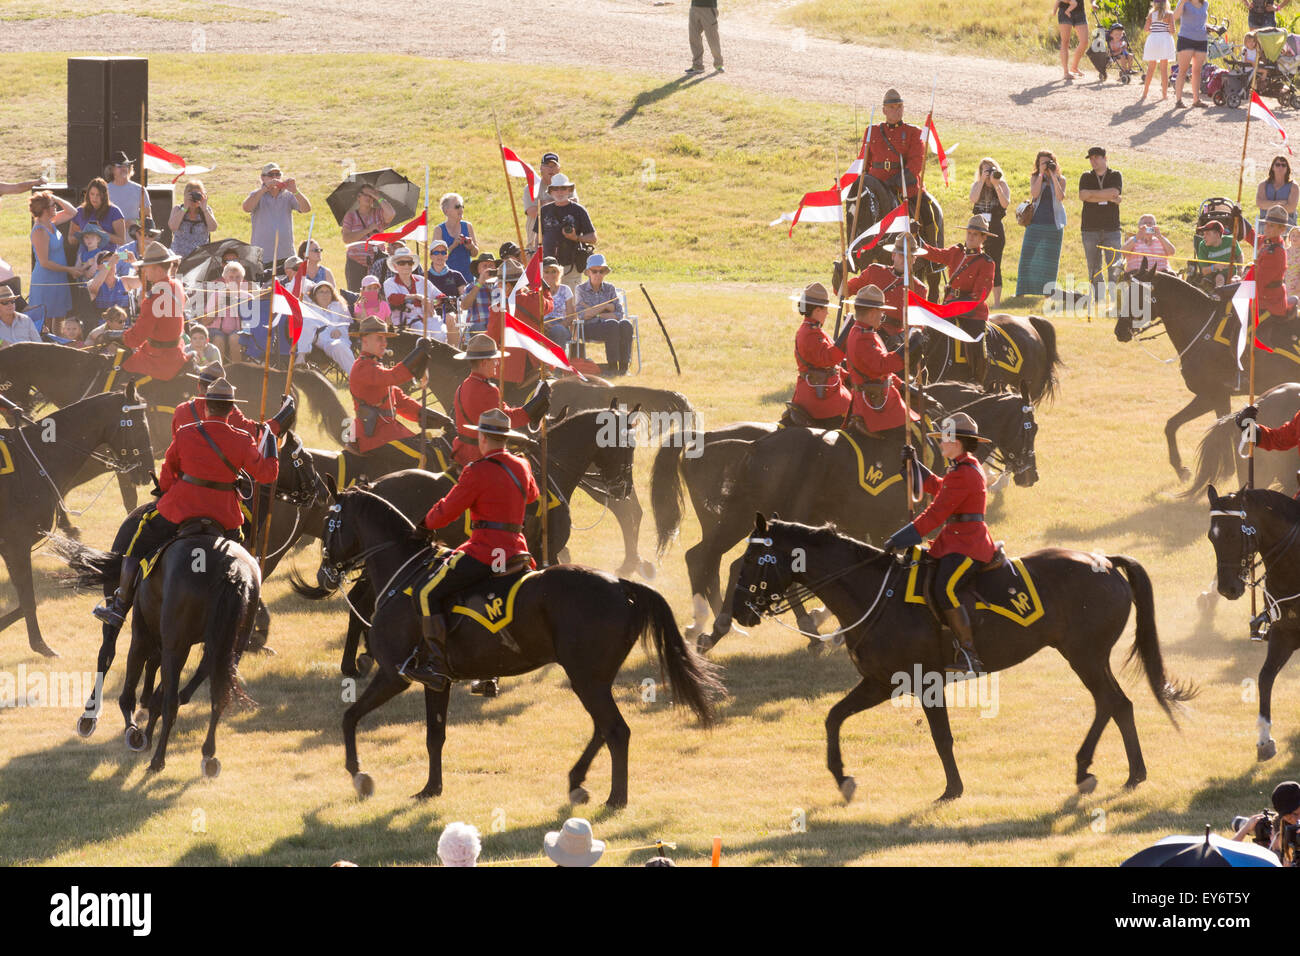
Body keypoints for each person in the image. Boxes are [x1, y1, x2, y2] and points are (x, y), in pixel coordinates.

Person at [93, 378, 291, 629]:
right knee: (243, 557)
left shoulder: (186, 432)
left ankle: (120, 605)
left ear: (206, 406)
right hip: (225, 516)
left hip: (180, 509)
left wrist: (166, 491)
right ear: (231, 410)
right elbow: (267, 474)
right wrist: (272, 442)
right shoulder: (242, 439)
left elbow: (168, 470)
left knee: (140, 536)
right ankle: (243, 616)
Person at [403, 407, 539, 690]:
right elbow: (533, 496)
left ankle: (437, 667)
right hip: (516, 552)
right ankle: (488, 672)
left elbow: (448, 510)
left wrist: (425, 525)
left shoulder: (475, 471)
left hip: (485, 552)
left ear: (482, 439)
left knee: (426, 592)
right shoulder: (522, 465)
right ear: (504, 438)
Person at [886, 412, 995, 674]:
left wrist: (901, 537)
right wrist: (914, 467)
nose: (941, 444)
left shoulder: (965, 472)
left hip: (968, 545)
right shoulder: (961, 467)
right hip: (954, 541)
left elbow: (935, 514)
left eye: (944, 440)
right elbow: (939, 486)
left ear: (956, 442)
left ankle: (969, 656)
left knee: (945, 588)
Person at [347, 317, 448, 456]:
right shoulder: (362, 367)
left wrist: (433, 418)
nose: (384, 343)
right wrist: (419, 353)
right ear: (365, 340)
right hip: (374, 438)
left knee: (433, 450)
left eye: (385, 339)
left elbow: (400, 400)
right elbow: (393, 376)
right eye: (379, 338)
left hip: (388, 433)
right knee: (426, 457)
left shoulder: (375, 366)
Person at [449, 333, 549, 467]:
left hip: (461, 452)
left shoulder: (462, 386)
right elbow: (506, 420)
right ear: (484, 362)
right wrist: (534, 406)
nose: (497, 363)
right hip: (482, 455)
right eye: (494, 360)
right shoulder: (489, 390)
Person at [921, 215, 997, 385]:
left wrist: (955, 306)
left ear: (983, 238)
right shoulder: (956, 252)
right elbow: (934, 253)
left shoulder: (986, 263)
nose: (970, 237)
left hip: (972, 312)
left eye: (975, 235)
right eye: (969, 233)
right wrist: (916, 242)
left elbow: (979, 295)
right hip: (949, 305)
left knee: (976, 343)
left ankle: (977, 378)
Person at [843, 285, 921, 437]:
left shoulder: (865, 332)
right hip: (876, 404)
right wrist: (909, 345)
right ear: (872, 313)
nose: (882, 316)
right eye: (881, 312)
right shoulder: (863, 336)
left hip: (879, 398)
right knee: (917, 433)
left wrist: (904, 386)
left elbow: (880, 371)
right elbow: (882, 365)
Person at [784, 282, 851, 429]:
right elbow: (829, 358)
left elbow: (832, 363)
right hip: (820, 396)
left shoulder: (814, 330)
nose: (827, 313)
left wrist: (847, 376)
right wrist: (848, 333)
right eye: (825, 309)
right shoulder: (809, 333)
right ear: (817, 310)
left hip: (825, 390)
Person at [121, 241, 190, 382]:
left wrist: (120, 337)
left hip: (159, 360)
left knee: (121, 373)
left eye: (147, 268)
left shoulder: (154, 297)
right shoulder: (176, 284)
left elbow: (136, 338)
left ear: (158, 270)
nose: (144, 271)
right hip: (175, 350)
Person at [172, 362, 286, 439]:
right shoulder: (228, 411)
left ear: (198, 385)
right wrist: (279, 421)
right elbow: (255, 433)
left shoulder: (180, 410)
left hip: (187, 473)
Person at [863, 89, 925, 217]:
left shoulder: (914, 132)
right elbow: (863, 162)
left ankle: (930, 238)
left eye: (899, 106)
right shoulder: (872, 131)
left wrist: (896, 182)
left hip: (904, 189)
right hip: (875, 186)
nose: (897, 110)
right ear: (884, 110)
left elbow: (916, 163)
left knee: (929, 212)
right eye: (892, 107)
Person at [1016, 150, 1068, 297]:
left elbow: (1060, 196)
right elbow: (1035, 193)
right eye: (1042, 163)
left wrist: (1052, 175)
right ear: (1038, 165)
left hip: (1054, 224)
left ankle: (1048, 292)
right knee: (1028, 256)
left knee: (1050, 259)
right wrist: (1041, 174)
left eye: (1048, 162)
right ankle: (1021, 291)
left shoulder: (1060, 179)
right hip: (1035, 223)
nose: (1045, 165)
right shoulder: (1035, 177)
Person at [243, 162, 311, 270]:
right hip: (262, 256)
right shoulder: (257, 194)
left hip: (286, 255)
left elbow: (306, 209)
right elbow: (246, 208)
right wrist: (264, 189)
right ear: (262, 178)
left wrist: (295, 191)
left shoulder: (288, 195)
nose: (275, 178)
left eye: (277, 174)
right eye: (271, 175)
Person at [28, 190, 80, 329]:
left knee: (59, 319)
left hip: (58, 278)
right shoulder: (40, 231)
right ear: (45, 210)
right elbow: (44, 262)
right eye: (53, 205)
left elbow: (73, 212)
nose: (56, 206)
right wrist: (69, 269)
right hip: (46, 280)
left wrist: (55, 198)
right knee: (44, 323)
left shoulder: (51, 222)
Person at [1079, 146, 1123, 308]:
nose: (1093, 161)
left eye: (1097, 157)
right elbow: (1083, 195)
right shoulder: (1086, 176)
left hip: (1111, 229)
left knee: (1115, 266)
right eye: (1091, 158)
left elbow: (1114, 191)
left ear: (1105, 158)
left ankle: (1115, 301)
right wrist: (1109, 197)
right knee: (1094, 267)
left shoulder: (1115, 175)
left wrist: (1094, 195)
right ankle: (1099, 301)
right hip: (1090, 229)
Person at [574, 254, 633, 374]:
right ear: (588, 272)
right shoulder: (580, 289)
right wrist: (606, 306)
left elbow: (619, 314)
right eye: (594, 271)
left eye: (601, 271)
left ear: (605, 272)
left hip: (611, 327)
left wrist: (595, 312)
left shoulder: (610, 288)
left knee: (626, 323)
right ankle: (612, 367)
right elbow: (582, 315)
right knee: (612, 324)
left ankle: (623, 367)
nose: (598, 274)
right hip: (589, 328)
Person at [538, 175, 597, 288]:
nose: (560, 192)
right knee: (548, 302)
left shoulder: (579, 210)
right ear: (550, 191)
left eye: (563, 188)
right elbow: (538, 238)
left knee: (571, 300)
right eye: (556, 189)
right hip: (547, 266)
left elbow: (593, 238)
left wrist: (576, 238)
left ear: (569, 190)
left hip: (571, 265)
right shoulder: (544, 211)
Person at [1253, 204, 1299, 348]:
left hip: (1271, 302)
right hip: (1263, 297)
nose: (1267, 228)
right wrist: (1239, 221)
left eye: (1272, 226)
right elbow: (1253, 237)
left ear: (1282, 230)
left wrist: (1239, 287)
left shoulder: (1277, 252)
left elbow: (1259, 282)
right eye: (1266, 224)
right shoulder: (1269, 242)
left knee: (1252, 330)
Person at [971, 158, 1011, 308]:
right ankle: (976, 299)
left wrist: (996, 185)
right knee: (975, 262)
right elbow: (973, 199)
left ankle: (997, 303)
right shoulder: (977, 185)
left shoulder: (1002, 185)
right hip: (978, 227)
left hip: (995, 227)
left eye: (991, 169)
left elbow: (1005, 203)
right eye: (985, 170)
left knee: (995, 263)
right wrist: (981, 181)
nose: (988, 173)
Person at [340, 185, 396, 291]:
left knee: (379, 293)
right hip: (356, 263)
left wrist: (376, 195)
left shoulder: (379, 213)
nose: (368, 198)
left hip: (378, 261)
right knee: (357, 294)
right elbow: (346, 239)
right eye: (365, 194)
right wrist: (367, 230)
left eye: (370, 196)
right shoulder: (350, 216)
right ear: (358, 197)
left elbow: (391, 213)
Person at [1232, 780, 1300, 864]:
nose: (1295, 820)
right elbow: (1227, 854)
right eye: (1289, 817)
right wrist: (1245, 829)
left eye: (1297, 813)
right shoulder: (1274, 856)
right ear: (1272, 836)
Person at [384, 247, 442, 337]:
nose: (406, 266)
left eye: (409, 263)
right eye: (402, 263)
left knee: (441, 334)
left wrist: (432, 302)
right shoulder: (390, 282)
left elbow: (440, 297)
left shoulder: (422, 280)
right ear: (395, 266)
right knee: (423, 335)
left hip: (429, 317)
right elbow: (393, 299)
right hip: (405, 321)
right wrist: (418, 297)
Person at [300, 282, 355, 373]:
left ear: (332, 294)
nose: (324, 295)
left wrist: (340, 329)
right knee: (308, 322)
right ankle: (301, 356)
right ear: (315, 295)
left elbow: (348, 322)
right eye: (321, 292)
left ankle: (356, 376)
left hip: (339, 338)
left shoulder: (339, 306)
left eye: (327, 292)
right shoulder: (311, 307)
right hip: (320, 338)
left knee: (339, 346)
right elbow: (302, 286)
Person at [203, 260, 249, 362]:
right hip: (216, 330)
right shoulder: (216, 295)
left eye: (238, 277)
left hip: (238, 330)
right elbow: (205, 321)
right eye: (231, 277)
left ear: (242, 279)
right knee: (218, 340)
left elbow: (251, 321)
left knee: (235, 339)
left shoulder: (247, 296)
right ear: (225, 279)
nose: (234, 280)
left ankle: (236, 371)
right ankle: (218, 372)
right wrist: (217, 308)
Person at [69, 178, 126, 250]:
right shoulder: (79, 211)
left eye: (98, 195)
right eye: (92, 194)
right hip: (85, 258)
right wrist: (83, 233)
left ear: (104, 196)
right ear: (87, 194)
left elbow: (121, 241)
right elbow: (70, 240)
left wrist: (101, 232)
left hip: (107, 258)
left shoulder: (115, 212)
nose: (94, 198)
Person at [424, 239, 468, 333]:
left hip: (453, 314)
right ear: (431, 256)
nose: (440, 255)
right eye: (436, 252)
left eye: (443, 252)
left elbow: (464, 298)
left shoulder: (456, 275)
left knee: (451, 318)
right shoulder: (423, 276)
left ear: (447, 256)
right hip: (430, 315)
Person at [1173, 0, 1210, 108]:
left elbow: (1200, 20)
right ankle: (1179, 100)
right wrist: (1183, 2)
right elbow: (1175, 16)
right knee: (1183, 70)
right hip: (1186, 39)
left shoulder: (1205, 3)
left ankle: (1196, 100)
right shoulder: (1184, 2)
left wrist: (1209, 27)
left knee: (1197, 71)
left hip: (1202, 40)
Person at [168, 180, 217, 259]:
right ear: (185, 196)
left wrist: (204, 209)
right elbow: (173, 227)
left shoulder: (206, 211)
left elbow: (213, 228)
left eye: (197, 195)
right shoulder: (178, 209)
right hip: (179, 257)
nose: (194, 199)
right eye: (192, 195)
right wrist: (185, 208)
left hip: (199, 258)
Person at [437, 193, 479, 281]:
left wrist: (471, 247)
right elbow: (437, 258)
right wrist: (453, 245)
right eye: (457, 206)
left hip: (467, 276)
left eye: (462, 206)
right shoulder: (439, 230)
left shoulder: (468, 226)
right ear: (446, 211)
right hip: (447, 278)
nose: (461, 209)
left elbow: (475, 254)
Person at [104, 151, 152, 228]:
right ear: (111, 169)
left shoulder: (140, 190)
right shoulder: (104, 190)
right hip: (111, 239)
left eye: (126, 165)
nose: (123, 168)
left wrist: (134, 222)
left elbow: (148, 220)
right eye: (119, 166)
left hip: (135, 239)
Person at [1191, 220, 1244, 288]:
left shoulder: (1231, 241)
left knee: (1238, 278)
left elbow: (1240, 255)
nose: (1204, 237)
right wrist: (1216, 267)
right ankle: (1220, 294)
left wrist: (1240, 270)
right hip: (1213, 277)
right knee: (1219, 277)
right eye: (1203, 234)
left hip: (1232, 275)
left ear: (1217, 234)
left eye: (1207, 234)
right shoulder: (1202, 246)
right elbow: (1204, 271)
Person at [1141, 0, 1176, 101]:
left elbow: (1146, 29)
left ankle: (1145, 93)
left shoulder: (1152, 14)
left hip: (1153, 40)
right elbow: (1172, 31)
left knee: (1151, 68)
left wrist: (1154, 28)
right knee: (1164, 69)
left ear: (1155, 3)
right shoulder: (1169, 14)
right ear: (1166, 3)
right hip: (1164, 40)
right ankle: (1164, 95)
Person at [460, 253, 499, 333]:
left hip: (497, 326)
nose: (488, 269)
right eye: (485, 266)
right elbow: (464, 306)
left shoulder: (501, 286)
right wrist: (480, 284)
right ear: (478, 270)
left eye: (491, 265)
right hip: (478, 327)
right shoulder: (471, 287)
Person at [542, 259, 575, 349]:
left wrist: (557, 325)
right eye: (547, 272)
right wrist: (543, 324)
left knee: (557, 330)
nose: (550, 275)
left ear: (559, 273)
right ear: (541, 274)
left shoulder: (565, 290)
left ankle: (559, 362)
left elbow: (570, 316)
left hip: (562, 325)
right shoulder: (537, 291)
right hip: (541, 325)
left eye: (554, 271)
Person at [685, 0, 724, 75]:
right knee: (694, 37)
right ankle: (697, 66)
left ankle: (719, 64)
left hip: (709, 8)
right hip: (694, 8)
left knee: (712, 38)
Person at [1258, 155, 1298, 227]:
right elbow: (1260, 204)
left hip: (1286, 224)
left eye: (1283, 165)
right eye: (1277, 165)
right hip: (1265, 223)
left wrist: (1268, 204)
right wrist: (1279, 203)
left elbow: (1291, 208)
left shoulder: (1294, 186)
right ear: (1273, 167)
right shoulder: (1263, 185)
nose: (1280, 167)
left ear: (1287, 168)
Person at [1053, 0, 1089, 80]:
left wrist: (1093, 3)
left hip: (1080, 12)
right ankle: (1066, 72)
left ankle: (1074, 67)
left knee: (1084, 41)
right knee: (1065, 42)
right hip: (1064, 11)